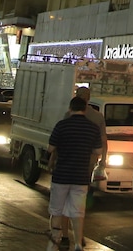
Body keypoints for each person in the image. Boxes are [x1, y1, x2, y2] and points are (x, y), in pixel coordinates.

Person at [47, 96, 103, 251]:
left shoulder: (62, 125)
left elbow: (50, 148)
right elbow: (98, 150)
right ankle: (78, 244)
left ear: (70, 109)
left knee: (57, 211)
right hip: (80, 177)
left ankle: (53, 244)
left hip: (61, 176)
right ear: (85, 109)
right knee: (77, 213)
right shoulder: (92, 128)